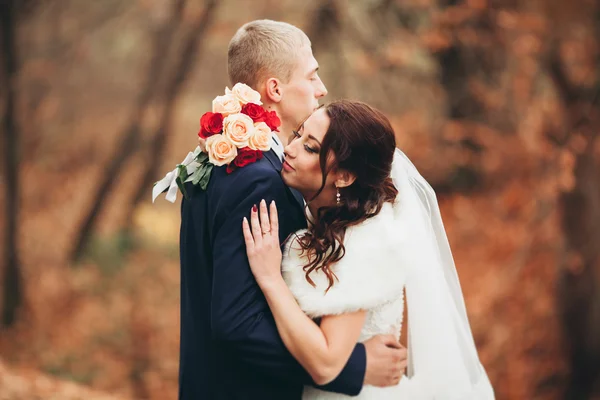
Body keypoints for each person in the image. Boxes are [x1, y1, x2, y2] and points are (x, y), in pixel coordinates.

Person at [178, 20, 407, 400]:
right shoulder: (263, 180)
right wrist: (354, 367)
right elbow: (237, 322)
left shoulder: (217, 160)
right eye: (312, 74)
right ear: (275, 88)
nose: (322, 88)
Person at [242, 100, 496, 399]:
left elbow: (325, 363)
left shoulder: (365, 242)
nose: (290, 148)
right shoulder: (327, 220)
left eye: (311, 148)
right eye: (297, 134)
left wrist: (271, 278)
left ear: (346, 176)